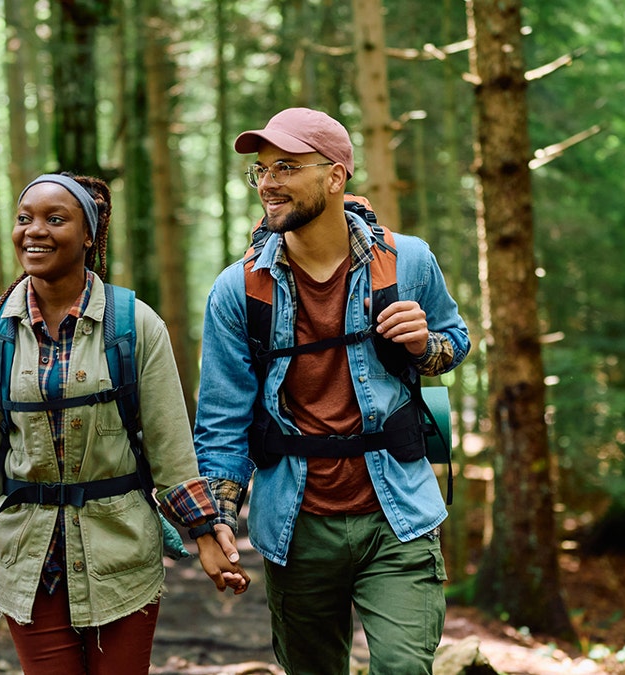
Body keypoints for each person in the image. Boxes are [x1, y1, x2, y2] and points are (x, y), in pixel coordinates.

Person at [193, 107, 471, 674]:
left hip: (397, 515)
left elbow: (455, 342)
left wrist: (425, 345)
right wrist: (217, 519)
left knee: (403, 668)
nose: (268, 182)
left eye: (286, 167)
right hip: (295, 526)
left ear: (335, 176)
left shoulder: (408, 261)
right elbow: (222, 422)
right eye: (261, 169)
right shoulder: (238, 290)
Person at [0, 172, 247, 674]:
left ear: (89, 235)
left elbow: (170, 447)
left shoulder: (134, 324)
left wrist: (206, 535)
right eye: (24, 218)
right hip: (28, 560)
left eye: (55, 219)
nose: (34, 231)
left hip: (121, 556)